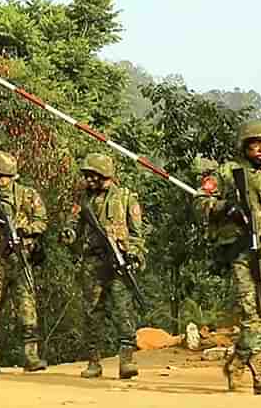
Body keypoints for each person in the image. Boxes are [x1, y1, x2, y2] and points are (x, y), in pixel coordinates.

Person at [195, 120, 261, 394]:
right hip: (243, 252)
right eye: (255, 143)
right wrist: (224, 207)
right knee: (251, 312)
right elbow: (200, 202)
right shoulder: (228, 173)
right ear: (244, 146)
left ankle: (237, 362)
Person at [61, 153, 146, 379]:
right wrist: (68, 233)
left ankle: (127, 360)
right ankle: (93, 361)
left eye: (92, 175)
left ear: (104, 174)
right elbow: (73, 224)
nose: (88, 180)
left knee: (123, 309)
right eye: (86, 176)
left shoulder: (126, 198)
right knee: (91, 312)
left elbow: (137, 234)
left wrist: (134, 254)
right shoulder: (84, 201)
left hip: (119, 261)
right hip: (92, 261)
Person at [0, 150, 48, 374]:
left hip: (20, 257)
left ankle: (31, 356)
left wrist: (25, 231)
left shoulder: (28, 195)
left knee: (27, 306)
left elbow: (42, 221)